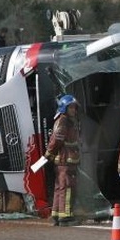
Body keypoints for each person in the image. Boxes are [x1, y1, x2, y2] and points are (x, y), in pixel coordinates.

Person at [44, 94, 80, 226]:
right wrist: (49, 153)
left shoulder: (66, 121)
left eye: (74, 108)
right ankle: (65, 216)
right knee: (68, 188)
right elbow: (57, 139)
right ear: (64, 108)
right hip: (66, 160)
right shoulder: (64, 121)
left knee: (60, 187)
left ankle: (56, 213)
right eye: (71, 107)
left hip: (65, 160)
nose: (74, 110)